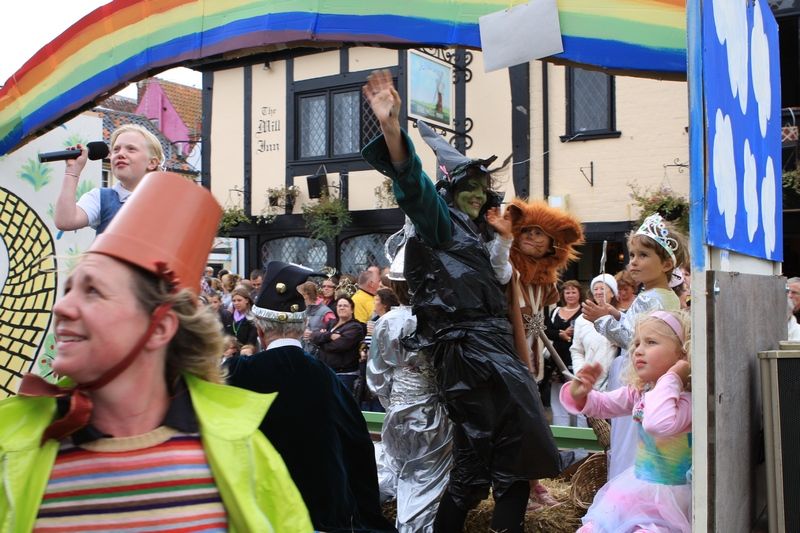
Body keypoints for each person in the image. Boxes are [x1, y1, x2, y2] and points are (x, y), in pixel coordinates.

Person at [5, 171, 311, 531]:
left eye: (93, 292)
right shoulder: (13, 452)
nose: (62, 308)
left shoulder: (239, 452)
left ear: (160, 327)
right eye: (69, 289)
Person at [362, 69, 560, 533]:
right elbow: (413, 185)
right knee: (507, 456)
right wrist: (392, 130)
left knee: (486, 465)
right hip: (470, 354)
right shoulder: (440, 223)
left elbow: (498, 279)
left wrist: (503, 240)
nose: (477, 193)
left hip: (488, 351)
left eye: (483, 187)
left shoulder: (476, 232)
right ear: (450, 191)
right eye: (467, 185)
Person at [224, 261, 394, 533]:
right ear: (302, 326)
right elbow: (358, 448)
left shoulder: (235, 375)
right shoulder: (328, 379)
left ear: (259, 331)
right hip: (322, 516)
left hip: (255, 515)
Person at [485, 198, 584, 510]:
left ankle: (532, 485)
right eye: (526, 230)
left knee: (532, 427)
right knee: (515, 429)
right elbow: (498, 268)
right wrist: (504, 238)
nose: (530, 236)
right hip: (508, 364)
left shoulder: (546, 284)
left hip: (533, 366)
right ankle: (519, 488)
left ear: (553, 243)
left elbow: (540, 322)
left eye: (539, 233)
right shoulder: (509, 270)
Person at [562, 309, 692, 533]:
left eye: (651, 342)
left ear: (682, 355)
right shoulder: (641, 392)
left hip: (672, 500)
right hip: (638, 490)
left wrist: (673, 377)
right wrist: (580, 393)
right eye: (636, 344)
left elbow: (658, 424)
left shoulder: (687, 400)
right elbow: (603, 405)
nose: (638, 351)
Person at [582, 213, 688, 478]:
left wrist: (602, 321)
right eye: (632, 255)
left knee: (631, 434)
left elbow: (632, 338)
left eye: (643, 255)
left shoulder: (652, 298)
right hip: (644, 374)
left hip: (639, 374)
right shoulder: (660, 296)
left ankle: (628, 478)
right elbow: (636, 326)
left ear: (665, 264)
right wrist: (617, 314)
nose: (634, 262)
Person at [367, 227, 453, 532]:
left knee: (408, 472)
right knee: (425, 480)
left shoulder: (387, 322)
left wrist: (397, 401)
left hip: (401, 413)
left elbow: (377, 378)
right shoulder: (443, 317)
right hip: (434, 414)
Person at [54, 124, 165, 235]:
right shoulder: (100, 198)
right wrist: (72, 171)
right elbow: (65, 221)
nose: (120, 154)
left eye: (131, 149)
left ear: (152, 163)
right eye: (116, 150)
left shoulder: (169, 202)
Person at [571, 274, 621, 397]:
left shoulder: (621, 318)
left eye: (602, 288)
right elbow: (577, 350)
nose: (598, 292)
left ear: (612, 293)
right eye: (595, 289)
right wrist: (581, 373)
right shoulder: (582, 320)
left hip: (615, 385)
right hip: (589, 385)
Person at [544, 280, 584, 426]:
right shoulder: (555, 311)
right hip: (556, 362)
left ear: (580, 294)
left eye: (574, 292)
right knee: (558, 400)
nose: (570, 295)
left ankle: (581, 446)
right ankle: (562, 444)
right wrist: (561, 334)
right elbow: (546, 330)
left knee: (578, 400)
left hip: (576, 361)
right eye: (567, 292)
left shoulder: (584, 311)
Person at [310, 296, 366, 395]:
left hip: (344, 375)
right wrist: (329, 335)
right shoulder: (330, 324)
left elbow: (340, 346)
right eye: (339, 306)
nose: (341, 308)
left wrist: (321, 343)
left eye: (345, 306)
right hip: (325, 371)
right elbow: (314, 337)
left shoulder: (355, 327)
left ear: (352, 309)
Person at [300, 281, 336, 356]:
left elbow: (333, 334)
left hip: (317, 354)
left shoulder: (327, 313)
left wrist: (315, 335)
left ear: (306, 295)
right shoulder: (303, 308)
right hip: (302, 352)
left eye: (300, 295)